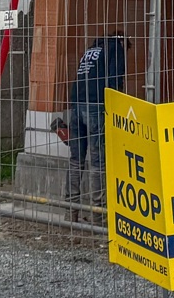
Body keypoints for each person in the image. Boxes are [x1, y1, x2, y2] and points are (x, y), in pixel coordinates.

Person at [64, 33, 126, 218]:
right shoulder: (115, 47)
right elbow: (115, 79)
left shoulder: (91, 50)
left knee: (76, 160)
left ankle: (70, 211)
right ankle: (98, 214)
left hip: (76, 104)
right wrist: (116, 107)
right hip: (96, 105)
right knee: (98, 161)